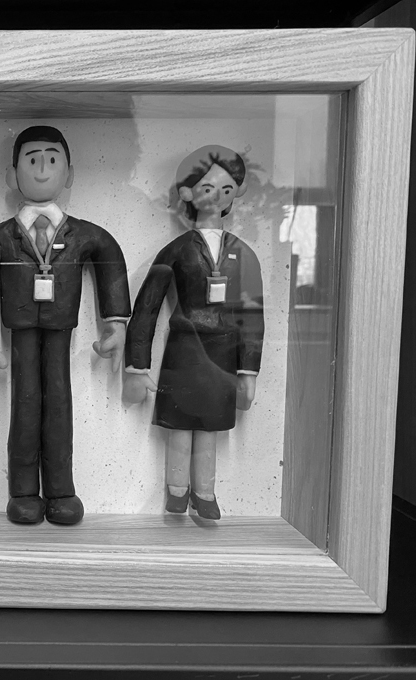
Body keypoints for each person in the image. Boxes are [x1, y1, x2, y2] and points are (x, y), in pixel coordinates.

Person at [0, 125, 131, 525]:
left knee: (59, 403)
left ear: (69, 174)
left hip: (61, 328)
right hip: (20, 329)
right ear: (12, 176)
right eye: (32, 160)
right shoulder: (1, 237)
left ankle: (61, 490)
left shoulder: (84, 234)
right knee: (24, 404)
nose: (42, 170)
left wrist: (115, 322)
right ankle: (24, 491)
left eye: (52, 159)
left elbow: (110, 259)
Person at [123, 145, 264, 520]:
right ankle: (176, 489)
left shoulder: (243, 254)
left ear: (236, 195)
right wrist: (137, 365)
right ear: (187, 192)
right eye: (207, 187)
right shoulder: (176, 250)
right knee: (180, 427)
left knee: (210, 430)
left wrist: (249, 371)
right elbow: (147, 307)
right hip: (184, 350)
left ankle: (205, 492)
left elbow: (253, 314)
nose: (216, 196)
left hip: (223, 353)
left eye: (226, 189)